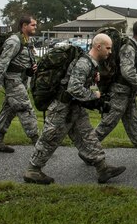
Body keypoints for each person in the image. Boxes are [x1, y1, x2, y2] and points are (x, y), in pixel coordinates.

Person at [23, 33, 126, 185]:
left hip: (74, 107)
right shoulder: (84, 63)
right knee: (50, 138)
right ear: (98, 47)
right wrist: (94, 96)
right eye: (108, 48)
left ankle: (102, 168)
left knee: (87, 136)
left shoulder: (90, 63)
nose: (110, 52)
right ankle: (33, 170)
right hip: (62, 108)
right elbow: (74, 88)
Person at [88, 20, 137, 165]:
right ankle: (87, 150)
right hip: (119, 92)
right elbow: (127, 71)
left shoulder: (136, 48)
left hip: (128, 92)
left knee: (134, 123)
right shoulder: (129, 48)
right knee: (108, 123)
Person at [0, 16, 40, 153]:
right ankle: (40, 146)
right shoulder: (14, 41)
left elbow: (22, 61)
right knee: (25, 108)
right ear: (24, 26)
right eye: (33, 25)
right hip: (12, 81)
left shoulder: (26, 41)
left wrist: (30, 68)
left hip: (20, 79)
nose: (36, 27)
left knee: (8, 110)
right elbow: (2, 63)